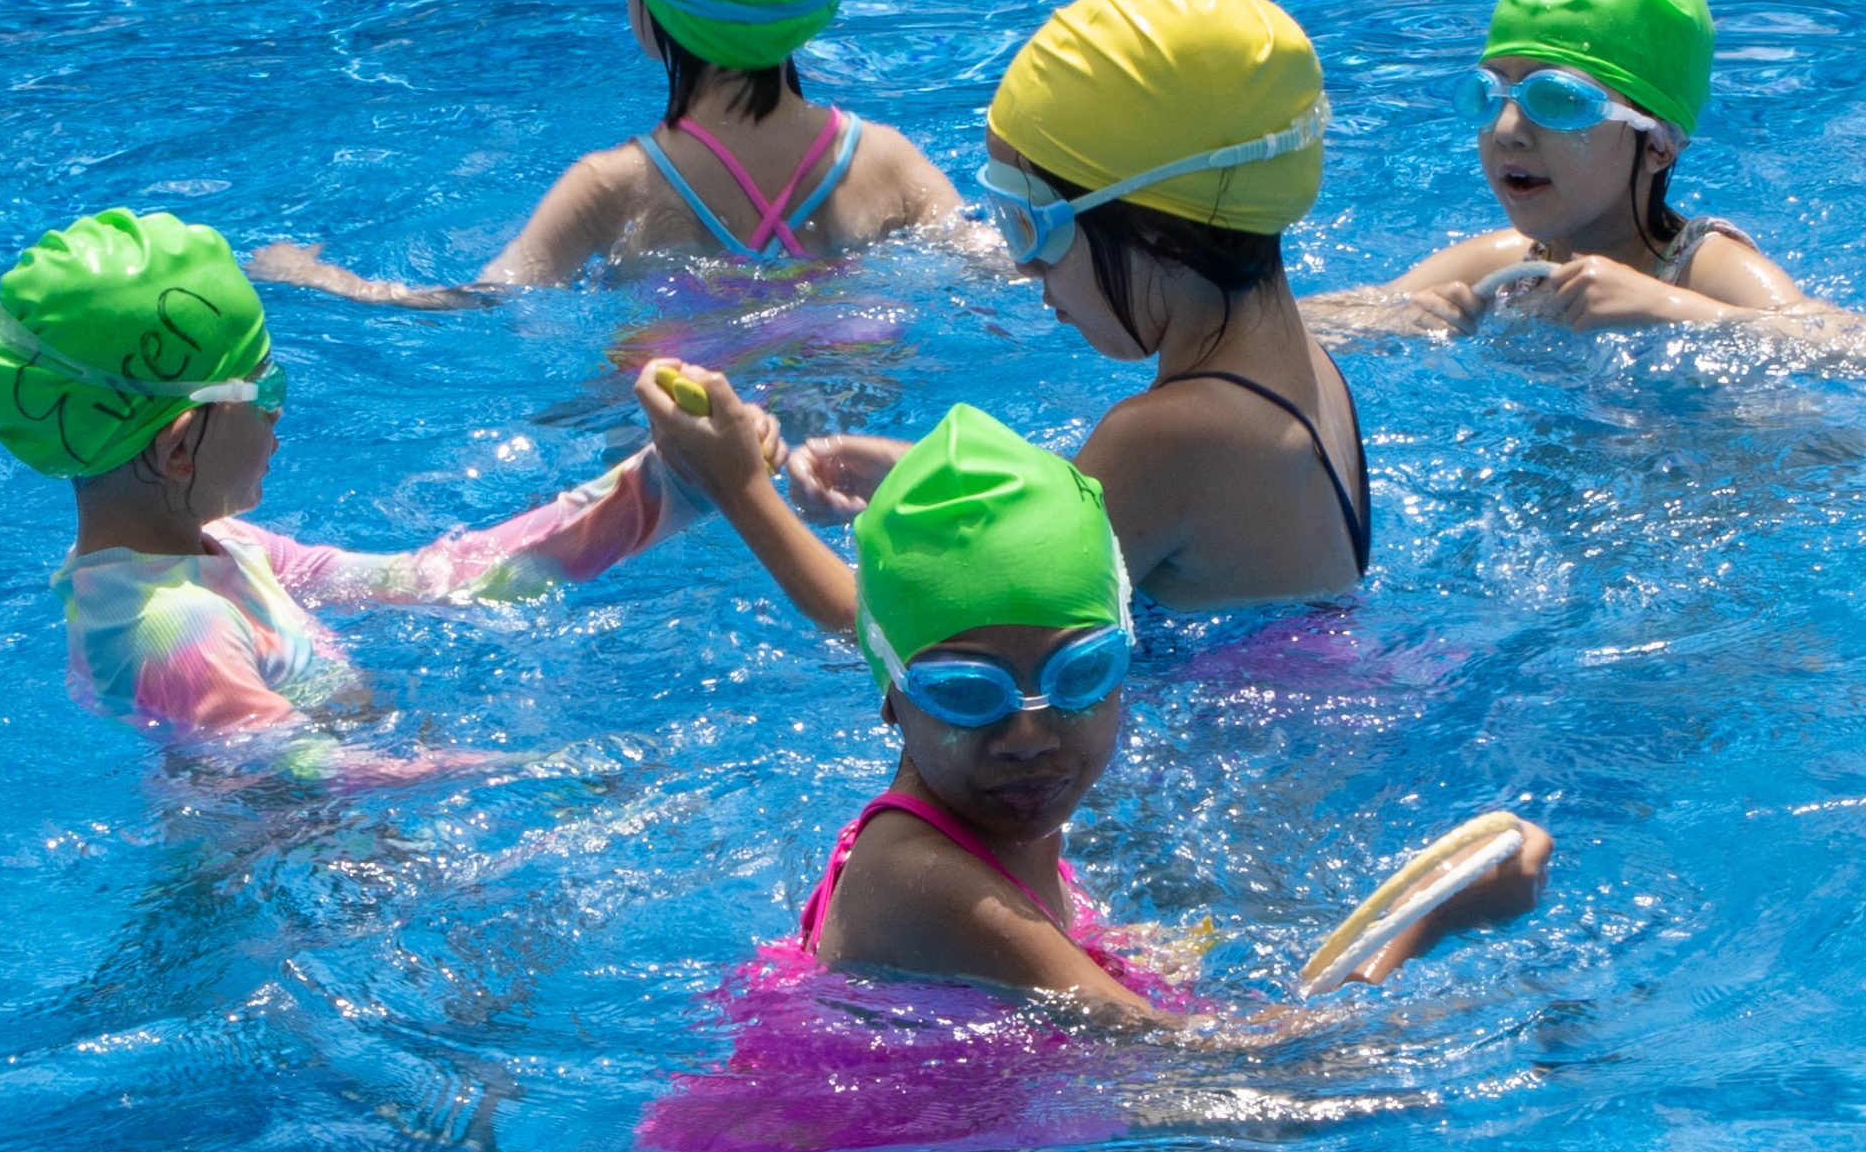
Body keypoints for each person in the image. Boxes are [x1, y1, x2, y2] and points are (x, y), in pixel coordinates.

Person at [640, 389, 1551, 1026]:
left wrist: (740, 488)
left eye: (1081, 673)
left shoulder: (989, 807)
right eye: (967, 691)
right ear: (892, 695)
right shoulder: (923, 880)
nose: (1031, 731)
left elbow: (867, 615)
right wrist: (1440, 920)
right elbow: (1231, 1079)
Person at [0, 208, 771, 739]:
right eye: (264, 389)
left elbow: (438, 577)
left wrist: (672, 480)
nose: (281, 412)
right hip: (310, 894)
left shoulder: (217, 546)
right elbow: (306, 778)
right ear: (178, 448)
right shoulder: (173, 632)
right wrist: (528, 774)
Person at [778, 0, 1371, 612]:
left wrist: (731, 485)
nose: (1025, 266)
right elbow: (1082, 504)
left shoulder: (1164, 437)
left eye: (1030, 223)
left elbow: (907, 636)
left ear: (1160, 233)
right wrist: (927, 474)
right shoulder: (1310, 371)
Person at [249, 0, 961, 306]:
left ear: (652, 3)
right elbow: (999, 263)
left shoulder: (613, 187)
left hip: (680, 453)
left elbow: (480, 304)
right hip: (845, 411)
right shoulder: (889, 161)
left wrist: (323, 279)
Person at [1367, 0, 1826, 334]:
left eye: (1558, 100)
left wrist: (1672, 306)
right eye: (1488, 95)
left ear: (1659, 145)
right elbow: (1310, 322)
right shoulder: (1510, 262)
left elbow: (1845, 345)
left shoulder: (1705, 269)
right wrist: (1396, 318)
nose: (1507, 129)